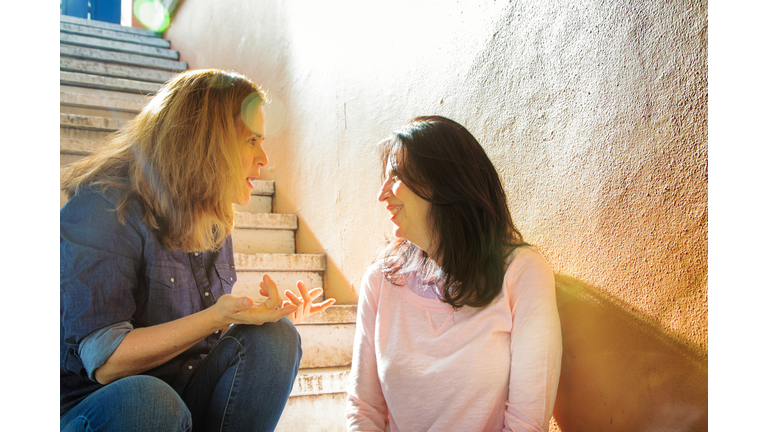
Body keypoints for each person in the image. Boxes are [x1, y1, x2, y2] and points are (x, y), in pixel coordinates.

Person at [60, 69, 335, 431]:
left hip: (183, 398)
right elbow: (106, 361)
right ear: (209, 142)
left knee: (276, 337)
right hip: (108, 409)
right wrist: (218, 317)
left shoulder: (214, 217)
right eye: (252, 140)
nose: (264, 157)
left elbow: (203, 344)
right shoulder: (105, 205)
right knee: (152, 400)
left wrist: (262, 316)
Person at [345, 116, 563, 431]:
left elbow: (526, 423)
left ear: (444, 182)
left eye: (395, 175)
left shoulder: (522, 273)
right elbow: (363, 410)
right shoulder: (381, 279)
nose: (382, 194)